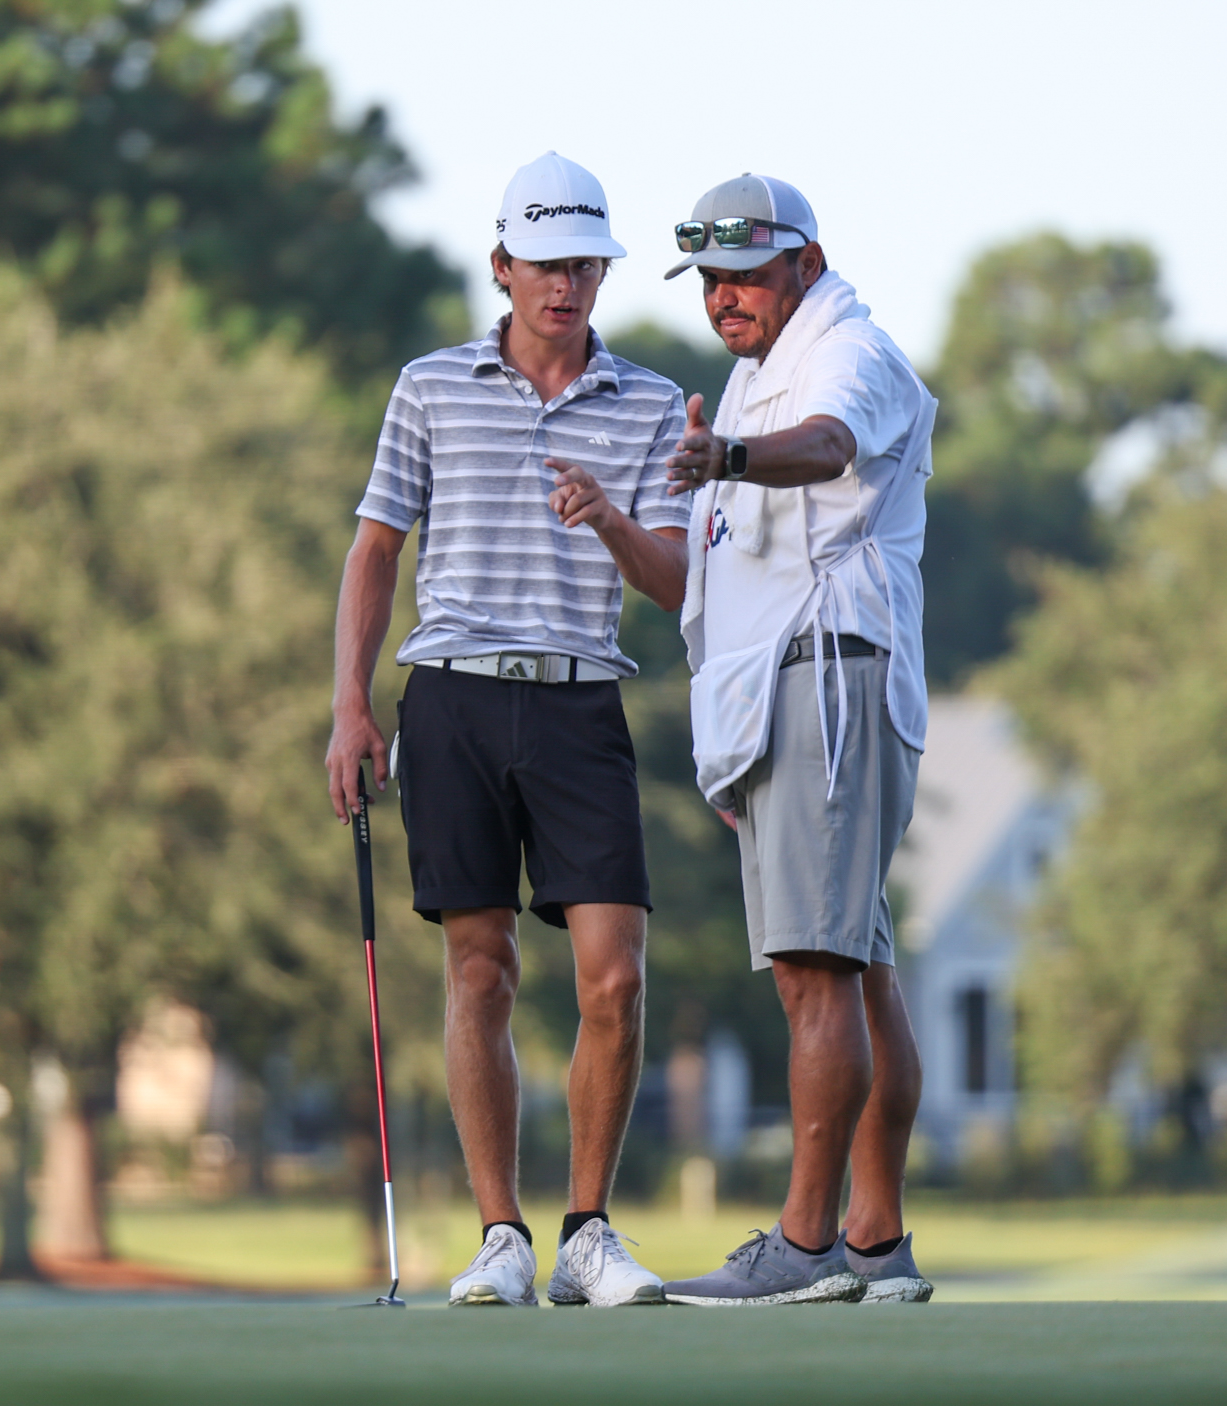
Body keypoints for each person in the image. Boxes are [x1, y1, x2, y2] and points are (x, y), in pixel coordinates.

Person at [325, 152, 689, 1308]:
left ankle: (587, 1231)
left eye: (584, 264)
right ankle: (501, 1234)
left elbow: (676, 583)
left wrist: (609, 518)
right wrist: (348, 705)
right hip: (452, 696)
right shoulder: (428, 384)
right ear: (502, 266)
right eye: (544, 264)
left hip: (581, 698)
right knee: (478, 968)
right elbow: (376, 548)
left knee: (613, 975)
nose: (564, 286)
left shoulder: (647, 403)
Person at [651, 174, 938, 1306]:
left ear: (803, 266)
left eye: (746, 275)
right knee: (857, 963)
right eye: (711, 280)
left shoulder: (847, 351)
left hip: (829, 674)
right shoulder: (750, 374)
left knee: (818, 970)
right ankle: (874, 1242)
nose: (724, 298)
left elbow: (825, 447)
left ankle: (804, 1242)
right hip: (783, 693)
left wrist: (723, 458)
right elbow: (722, 569)